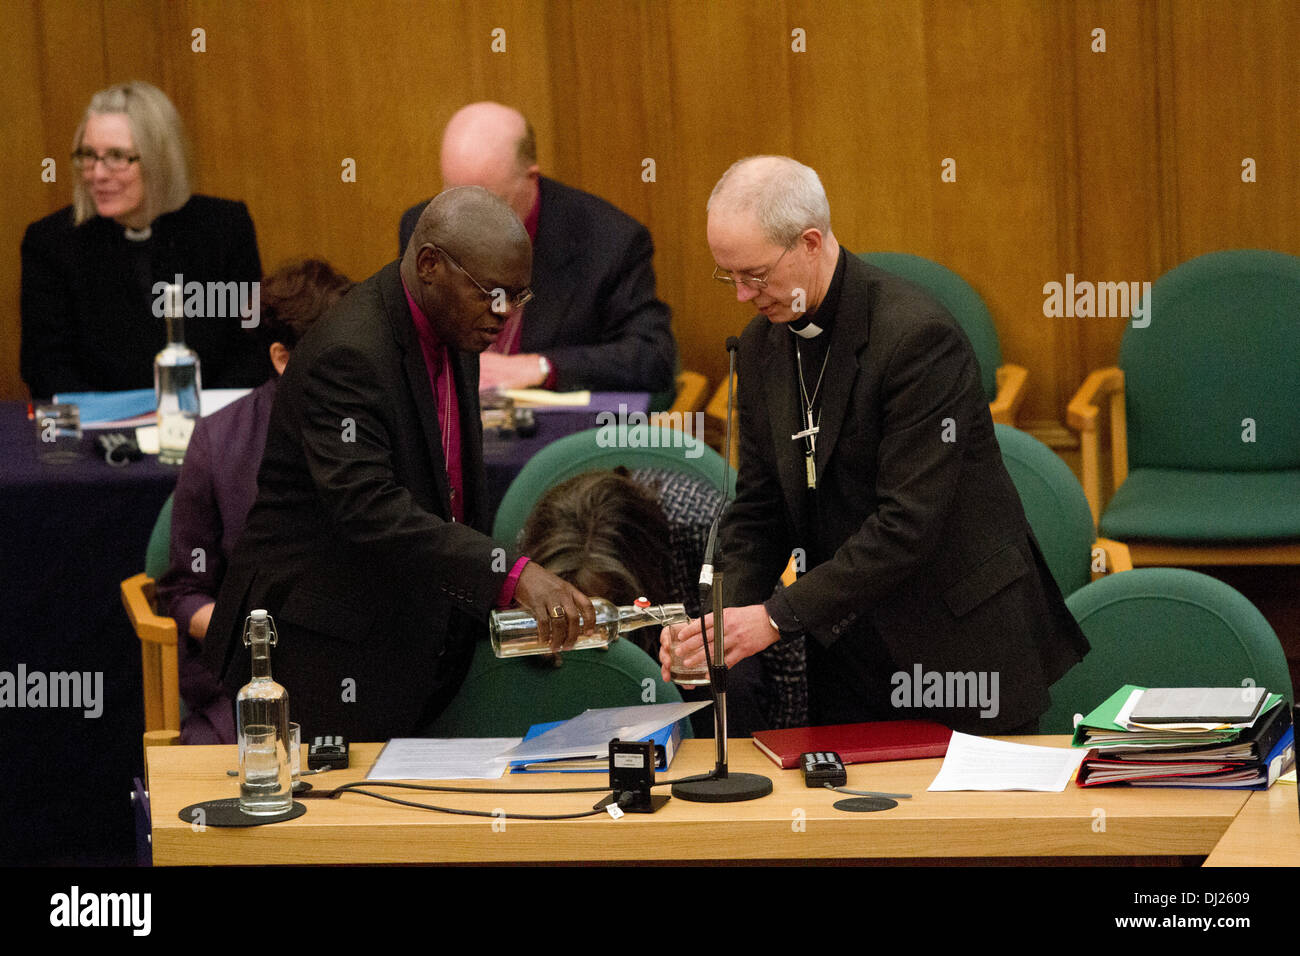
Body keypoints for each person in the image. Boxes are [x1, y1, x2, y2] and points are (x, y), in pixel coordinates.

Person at [661, 156, 1089, 734]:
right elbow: (762, 512)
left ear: (810, 242)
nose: (741, 295)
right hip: (847, 653)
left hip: (958, 650)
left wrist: (773, 618)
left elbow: (908, 524)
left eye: (754, 275)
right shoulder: (763, 348)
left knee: (974, 828)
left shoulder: (916, 338)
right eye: (728, 276)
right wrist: (714, 626)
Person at [203, 187, 597, 742]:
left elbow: (449, 493)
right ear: (431, 265)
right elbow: (369, 508)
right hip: (319, 646)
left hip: (403, 634)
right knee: (346, 825)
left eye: (518, 295)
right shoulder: (350, 352)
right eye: (492, 294)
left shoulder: (453, 328)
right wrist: (507, 575)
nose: (504, 314)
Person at [155, 259, 353, 744]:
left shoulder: (383, 425)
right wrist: (258, 643)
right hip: (253, 679)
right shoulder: (220, 440)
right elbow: (184, 593)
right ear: (283, 358)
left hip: (362, 669)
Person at [398, 102, 676, 394]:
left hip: (551, 430)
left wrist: (540, 367)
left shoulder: (610, 240)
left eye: (489, 203)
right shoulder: (421, 227)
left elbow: (653, 358)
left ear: (531, 177)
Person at [20, 81, 265, 398]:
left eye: (117, 157)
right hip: (103, 434)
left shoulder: (224, 228)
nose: (97, 174)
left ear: (160, 159)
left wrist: (201, 421)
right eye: (88, 156)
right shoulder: (51, 243)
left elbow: (252, 348)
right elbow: (45, 367)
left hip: (212, 429)